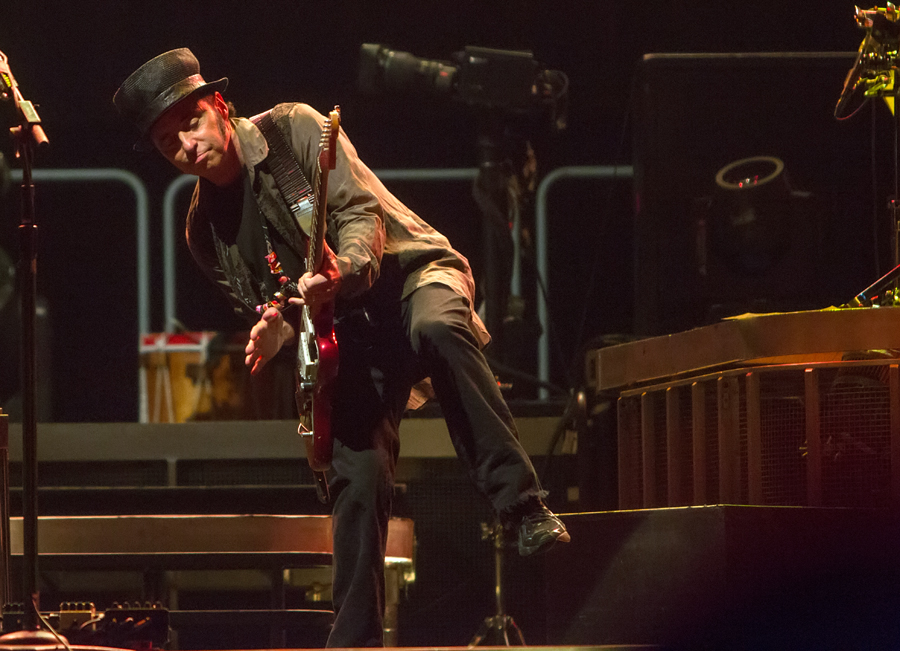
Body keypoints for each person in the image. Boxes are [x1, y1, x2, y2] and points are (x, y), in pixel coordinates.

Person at [114, 48, 569, 647]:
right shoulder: (204, 231)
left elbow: (360, 215)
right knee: (357, 476)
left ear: (220, 105)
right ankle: (353, 642)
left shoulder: (292, 130)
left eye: (191, 121)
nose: (186, 145)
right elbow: (272, 303)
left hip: (410, 277)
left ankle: (522, 507)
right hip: (345, 333)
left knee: (437, 329)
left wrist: (342, 268)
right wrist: (276, 327)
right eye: (167, 141)